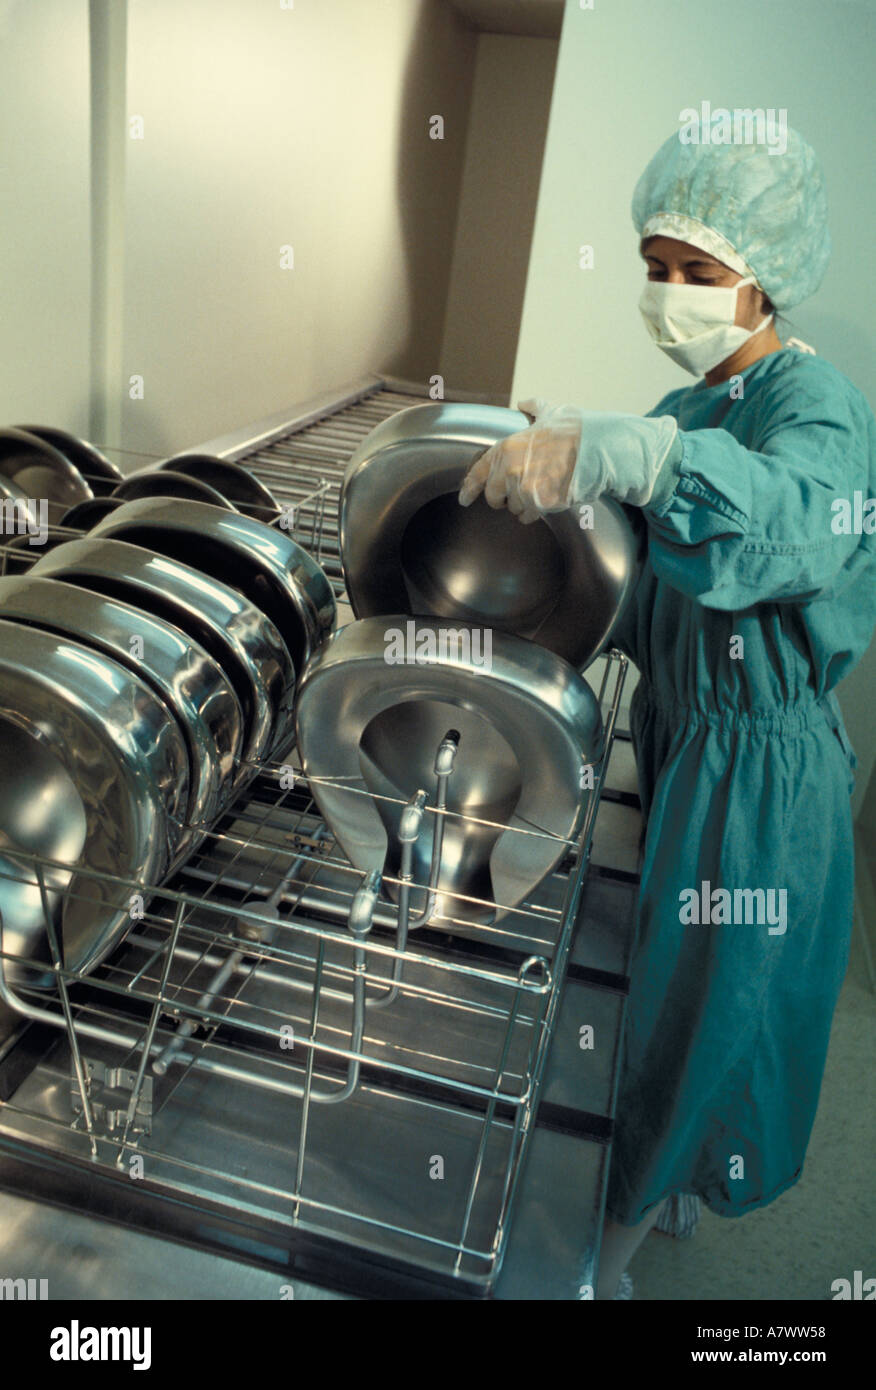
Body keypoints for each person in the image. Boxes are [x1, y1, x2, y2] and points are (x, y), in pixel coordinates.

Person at [459, 119, 876, 1300]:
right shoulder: (691, 405)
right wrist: (560, 498)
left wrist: (630, 455)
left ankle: (597, 1266)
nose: (672, 292)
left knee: (707, 1023)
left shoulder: (823, 407)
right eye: (657, 266)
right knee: (677, 1003)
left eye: (699, 271)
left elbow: (790, 529)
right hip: (689, 743)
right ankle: (667, 1194)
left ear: (763, 274)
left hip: (763, 780)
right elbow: (643, 588)